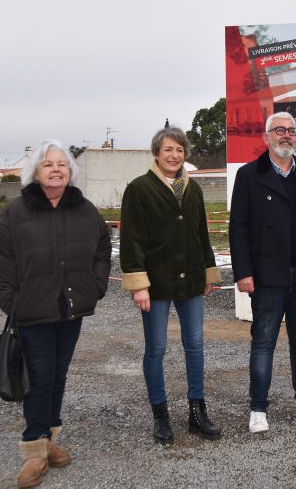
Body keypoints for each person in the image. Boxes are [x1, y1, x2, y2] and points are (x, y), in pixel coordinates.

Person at [0, 139, 112, 488]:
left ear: (70, 171)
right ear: (36, 172)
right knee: (39, 378)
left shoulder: (84, 209)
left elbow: (103, 246)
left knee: (58, 375)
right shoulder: (17, 212)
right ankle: (34, 451)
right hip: (32, 312)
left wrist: (96, 285)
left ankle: (49, 439)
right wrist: (13, 302)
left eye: (62, 164)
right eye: (48, 164)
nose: (56, 169)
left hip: (70, 310)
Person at [229, 111, 296, 434]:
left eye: (291, 130)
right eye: (280, 130)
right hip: (267, 275)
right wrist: (243, 272)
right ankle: (258, 408)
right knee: (263, 342)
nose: (287, 135)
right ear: (267, 137)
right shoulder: (249, 175)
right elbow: (239, 229)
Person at [120, 127, 221, 445]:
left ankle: (196, 413)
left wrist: (208, 272)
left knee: (195, 346)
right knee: (157, 350)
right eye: (168, 150)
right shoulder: (139, 189)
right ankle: (160, 416)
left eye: (179, 149)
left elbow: (200, 235)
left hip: (191, 280)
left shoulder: (194, 190)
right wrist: (138, 284)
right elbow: (132, 240)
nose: (174, 155)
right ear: (156, 153)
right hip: (156, 283)